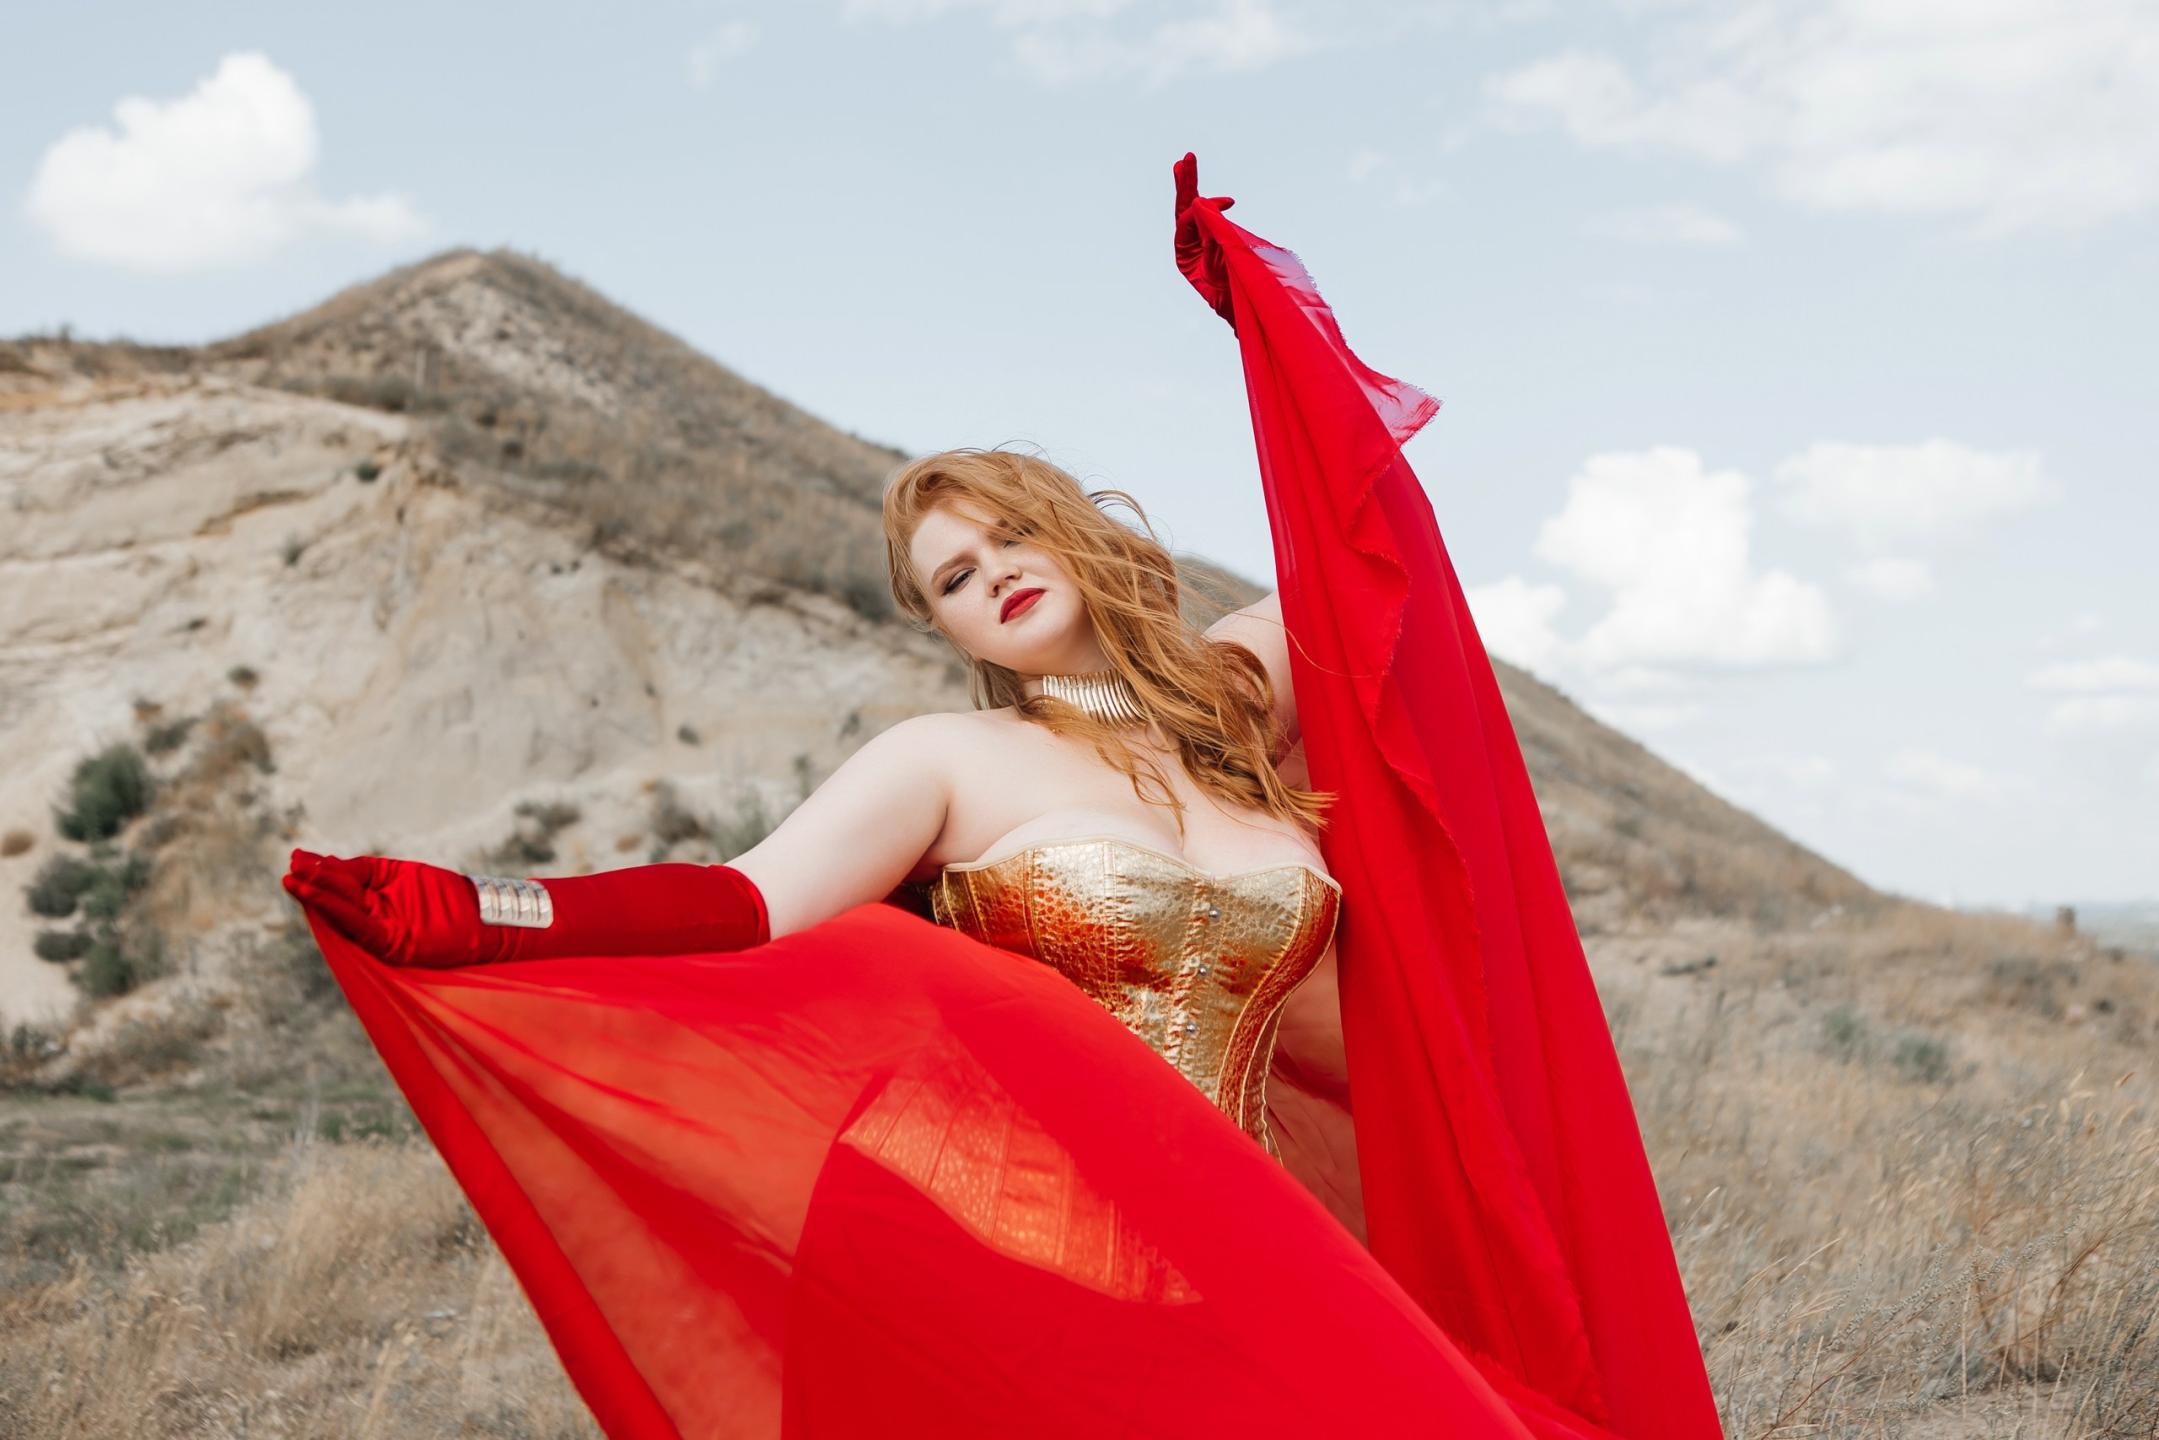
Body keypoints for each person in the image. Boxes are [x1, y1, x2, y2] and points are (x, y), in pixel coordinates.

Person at [281, 155, 1723, 1439]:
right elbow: (740, 902)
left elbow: (1365, 544)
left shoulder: (1234, 705)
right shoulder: (947, 762)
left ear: (1078, 532)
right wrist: (473, 912)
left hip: (1239, 1250)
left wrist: (1262, 327)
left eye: (1013, 535)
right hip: (979, 1250)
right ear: (949, 628)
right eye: (956, 579)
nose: (996, 575)